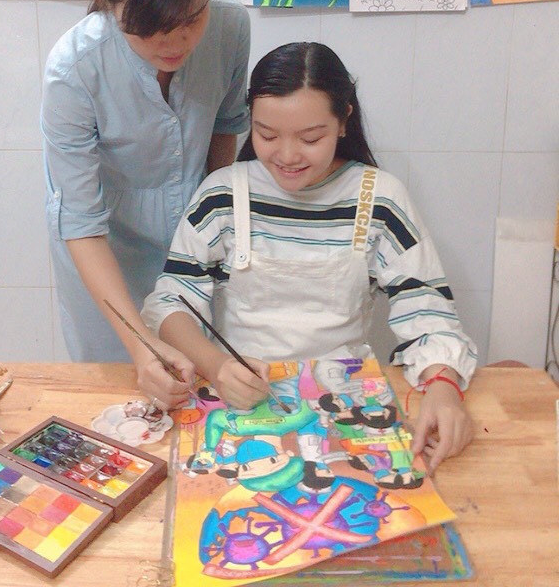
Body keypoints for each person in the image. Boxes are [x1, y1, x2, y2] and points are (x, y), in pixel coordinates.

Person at [142, 42, 477, 471]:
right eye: (267, 135)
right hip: (242, 400)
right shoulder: (224, 194)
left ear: (344, 120)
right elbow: (172, 301)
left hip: (346, 404)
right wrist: (217, 365)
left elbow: (428, 309)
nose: (287, 156)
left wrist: (444, 389)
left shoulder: (379, 198)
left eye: (310, 138)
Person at [41, 0, 250, 407]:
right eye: (150, 26)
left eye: (191, 18)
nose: (176, 40)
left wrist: (212, 231)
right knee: (122, 400)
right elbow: (81, 221)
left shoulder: (230, 26)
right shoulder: (75, 70)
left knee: (204, 392)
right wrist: (140, 345)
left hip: (193, 244)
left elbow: (225, 130)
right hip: (106, 252)